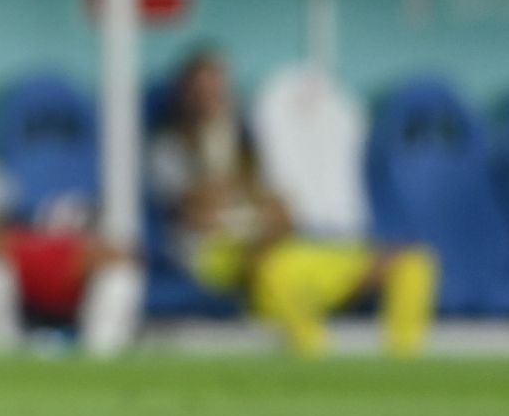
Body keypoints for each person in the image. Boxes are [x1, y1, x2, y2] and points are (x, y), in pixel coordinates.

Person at [150, 49, 436, 357]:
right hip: (221, 257)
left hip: (284, 248)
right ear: (184, 95)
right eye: (201, 90)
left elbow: (281, 210)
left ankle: (403, 362)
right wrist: (245, 206)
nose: (211, 98)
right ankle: (318, 362)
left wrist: (260, 213)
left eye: (217, 89)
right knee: (275, 271)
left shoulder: (251, 145)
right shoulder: (168, 147)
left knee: (413, 263)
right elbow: (197, 212)